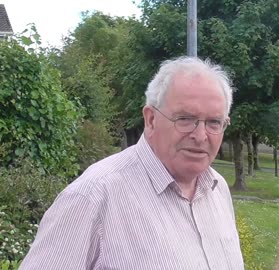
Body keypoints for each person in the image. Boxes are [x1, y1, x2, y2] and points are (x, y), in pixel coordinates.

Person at [20, 57, 244, 270]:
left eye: (214, 122)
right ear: (151, 119)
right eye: (185, 119)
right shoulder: (92, 197)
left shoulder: (217, 188)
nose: (201, 135)